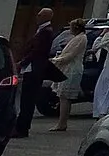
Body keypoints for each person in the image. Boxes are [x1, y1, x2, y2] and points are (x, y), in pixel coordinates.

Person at [16, 7, 55, 136]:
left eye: (39, 15)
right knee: (26, 98)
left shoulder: (46, 31)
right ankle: (21, 125)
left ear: (46, 17)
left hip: (35, 68)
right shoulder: (42, 30)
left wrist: (23, 62)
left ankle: (22, 127)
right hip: (32, 68)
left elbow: (37, 51)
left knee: (28, 98)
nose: (36, 17)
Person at [51, 19, 89, 131]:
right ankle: (62, 122)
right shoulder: (78, 38)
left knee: (65, 96)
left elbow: (70, 55)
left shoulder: (80, 39)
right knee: (64, 97)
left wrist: (55, 60)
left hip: (71, 69)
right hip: (69, 68)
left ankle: (62, 123)